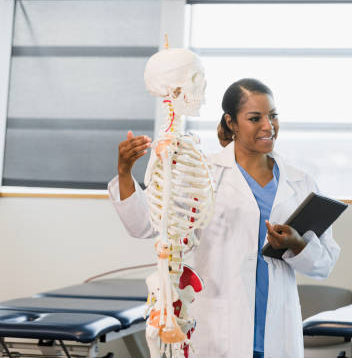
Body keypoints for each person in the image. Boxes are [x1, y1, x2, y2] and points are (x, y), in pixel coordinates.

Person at [108, 78, 340, 358]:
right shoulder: (203, 175)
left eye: (273, 116)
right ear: (231, 123)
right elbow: (144, 225)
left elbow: (324, 264)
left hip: (276, 328)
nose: (268, 126)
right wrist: (124, 173)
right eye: (255, 118)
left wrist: (298, 244)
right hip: (218, 328)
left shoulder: (301, 182)